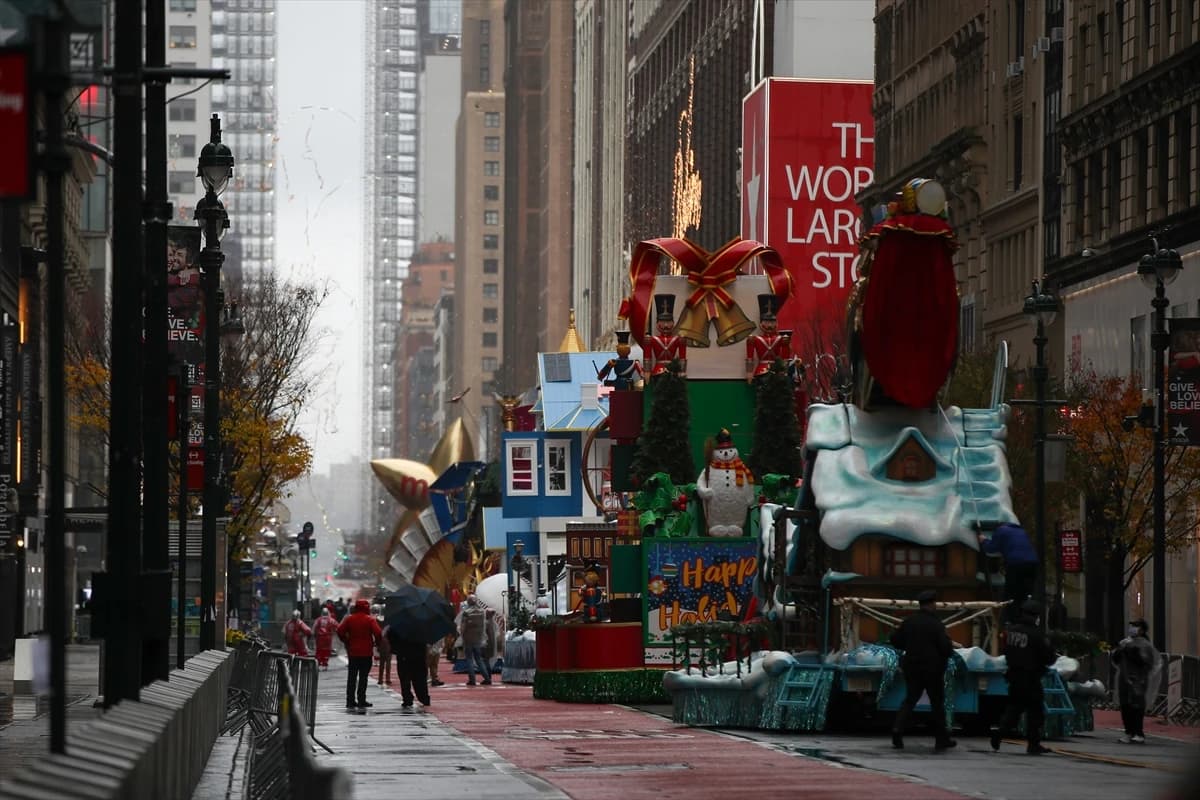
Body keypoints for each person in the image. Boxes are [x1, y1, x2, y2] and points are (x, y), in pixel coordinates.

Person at [890, 589, 956, 751]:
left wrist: (909, 646)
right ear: (932, 604)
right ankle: (941, 739)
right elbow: (945, 647)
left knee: (910, 699)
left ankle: (897, 730)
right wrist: (948, 651)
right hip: (933, 668)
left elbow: (895, 639)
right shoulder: (936, 624)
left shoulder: (909, 621)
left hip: (912, 666)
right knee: (937, 703)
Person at [991, 600, 1057, 755]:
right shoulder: (1036, 634)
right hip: (1031, 677)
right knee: (1035, 712)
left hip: (1014, 676)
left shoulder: (1011, 631)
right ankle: (1033, 744)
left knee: (1014, 709)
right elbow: (1048, 657)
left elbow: (1006, 652)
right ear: (1035, 617)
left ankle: (999, 733)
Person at [1112, 618, 1161, 744]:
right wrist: (1119, 650)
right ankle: (1128, 732)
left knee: (1136, 705)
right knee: (1125, 705)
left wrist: (1132, 653)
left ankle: (1138, 732)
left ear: (1142, 630)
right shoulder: (1126, 642)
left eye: (1135, 626)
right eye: (1131, 626)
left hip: (1138, 679)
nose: (1132, 629)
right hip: (1124, 678)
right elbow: (1116, 660)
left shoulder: (1145, 645)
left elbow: (1148, 663)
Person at [978, 524, 1039, 621]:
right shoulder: (1021, 531)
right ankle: (1027, 617)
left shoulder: (1001, 530)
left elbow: (991, 548)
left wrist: (984, 540)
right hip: (1032, 563)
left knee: (1011, 594)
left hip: (1016, 564)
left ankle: (1012, 620)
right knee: (1026, 592)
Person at [337, 599, 383, 710]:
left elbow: (339, 630)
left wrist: (346, 641)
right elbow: (378, 633)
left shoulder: (349, 619)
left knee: (352, 677)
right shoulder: (370, 620)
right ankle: (361, 700)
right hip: (366, 653)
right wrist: (377, 643)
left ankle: (350, 700)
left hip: (353, 652)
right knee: (363, 677)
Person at [387, 624, 431, 708]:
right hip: (418, 654)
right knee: (420, 677)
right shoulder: (422, 624)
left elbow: (391, 636)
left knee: (404, 678)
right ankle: (423, 697)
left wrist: (396, 649)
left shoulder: (398, 624)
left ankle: (407, 698)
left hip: (403, 654)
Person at [458, 594, 492, 686]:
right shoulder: (482, 612)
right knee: (479, 659)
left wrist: (461, 636)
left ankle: (472, 680)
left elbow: (463, 627)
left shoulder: (466, 612)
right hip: (478, 638)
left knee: (469, 659)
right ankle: (487, 678)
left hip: (468, 639)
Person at [373, 605, 392, 686]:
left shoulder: (376, 620)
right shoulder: (390, 620)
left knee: (381, 662)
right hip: (388, 642)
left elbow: (376, 632)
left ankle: (380, 679)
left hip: (380, 642)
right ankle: (387, 678)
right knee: (388, 662)